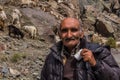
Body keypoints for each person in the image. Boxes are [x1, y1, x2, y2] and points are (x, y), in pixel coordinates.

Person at [40, 17, 120, 80]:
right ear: (60, 35)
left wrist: (96, 64)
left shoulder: (99, 52)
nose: (69, 35)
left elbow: (116, 77)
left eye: (73, 30)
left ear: (81, 33)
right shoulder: (52, 57)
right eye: (64, 31)